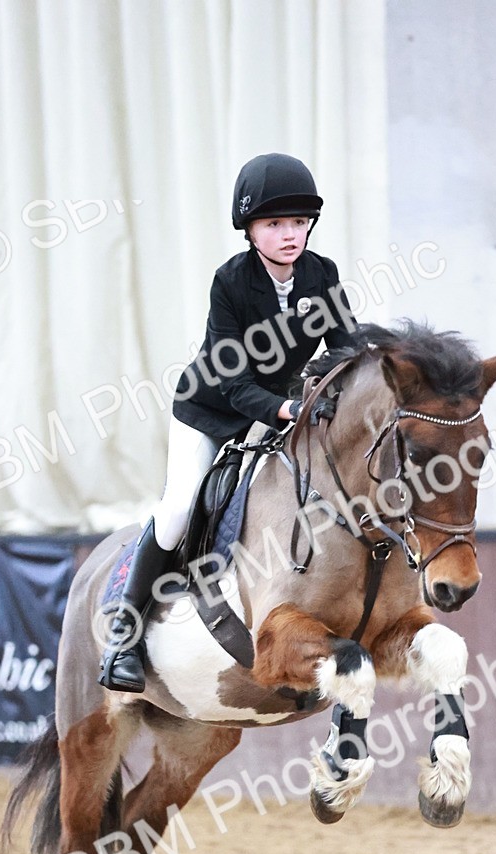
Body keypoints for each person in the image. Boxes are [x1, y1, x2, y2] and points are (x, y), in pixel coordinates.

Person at [99, 152, 357, 692]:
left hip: (279, 404)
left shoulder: (321, 274)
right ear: (250, 229)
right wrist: (289, 409)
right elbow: (234, 382)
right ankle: (124, 633)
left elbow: (346, 349)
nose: (290, 234)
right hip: (212, 408)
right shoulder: (231, 283)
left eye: (298, 222)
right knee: (177, 509)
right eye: (274, 224)